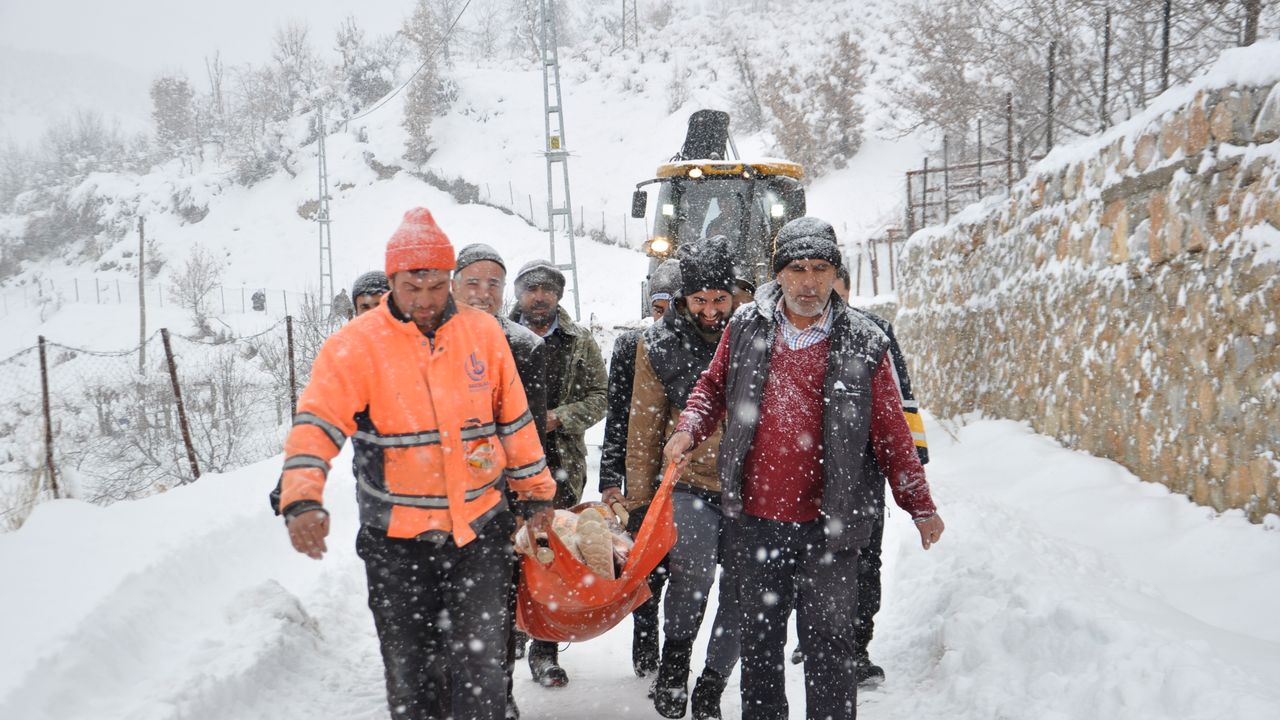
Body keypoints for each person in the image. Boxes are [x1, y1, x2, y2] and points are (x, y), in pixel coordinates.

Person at [277, 207, 556, 720]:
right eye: (412, 288)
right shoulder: (355, 346)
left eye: (435, 287)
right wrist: (301, 497)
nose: (425, 300)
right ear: (392, 282)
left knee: (483, 673)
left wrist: (537, 493)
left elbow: (513, 419)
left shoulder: (483, 333)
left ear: (450, 279)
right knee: (413, 677)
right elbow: (316, 424)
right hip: (397, 543)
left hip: (479, 533)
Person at [663, 217, 946, 720]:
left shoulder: (864, 340)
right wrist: (690, 427)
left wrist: (919, 505)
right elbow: (712, 387)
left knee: (830, 647)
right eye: (797, 269)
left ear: (836, 273)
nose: (809, 282)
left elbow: (892, 432)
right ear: (779, 274)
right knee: (760, 646)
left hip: (830, 526)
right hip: (756, 520)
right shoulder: (746, 326)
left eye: (820, 269)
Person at [789, 264, 932, 686]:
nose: (819, 292)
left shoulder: (873, 334)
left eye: (831, 285)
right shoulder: (792, 334)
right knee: (805, 558)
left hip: (861, 476)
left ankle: (856, 647)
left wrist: (912, 460)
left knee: (864, 562)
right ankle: (814, 634)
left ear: (846, 289)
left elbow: (900, 401)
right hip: (805, 474)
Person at [624, 236, 741, 720]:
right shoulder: (659, 345)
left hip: (751, 485)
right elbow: (644, 426)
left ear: (734, 295)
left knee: (744, 586)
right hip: (690, 480)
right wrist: (638, 502)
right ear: (682, 298)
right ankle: (675, 662)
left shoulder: (755, 333)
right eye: (699, 300)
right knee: (692, 572)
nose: (711, 311)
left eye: (720, 299)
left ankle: (713, 681)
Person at [451, 243, 548, 720]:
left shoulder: (524, 346)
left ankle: (499, 693)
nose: (483, 292)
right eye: (473, 281)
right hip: (446, 499)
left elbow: (529, 430)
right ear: (453, 285)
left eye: (494, 283)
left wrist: (527, 502)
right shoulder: (433, 341)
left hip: (502, 500)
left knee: (497, 606)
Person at [510, 259, 608, 688]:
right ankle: (509, 630)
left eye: (548, 290)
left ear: (559, 296)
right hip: (505, 463)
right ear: (518, 294)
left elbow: (600, 396)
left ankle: (544, 649)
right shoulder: (498, 335)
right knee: (509, 551)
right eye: (531, 289)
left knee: (552, 555)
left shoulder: (578, 341)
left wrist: (558, 417)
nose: (539, 297)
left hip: (560, 463)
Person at [599, 259, 682, 678]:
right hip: (640, 475)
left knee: (683, 569)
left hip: (684, 475)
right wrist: (610, 478)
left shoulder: (705, 343)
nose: (664, 318)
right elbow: (617, 416)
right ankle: (646, 649)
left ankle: (676, 657)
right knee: (645, 566)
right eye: (657, 308)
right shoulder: (631, 346)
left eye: (672, 308)